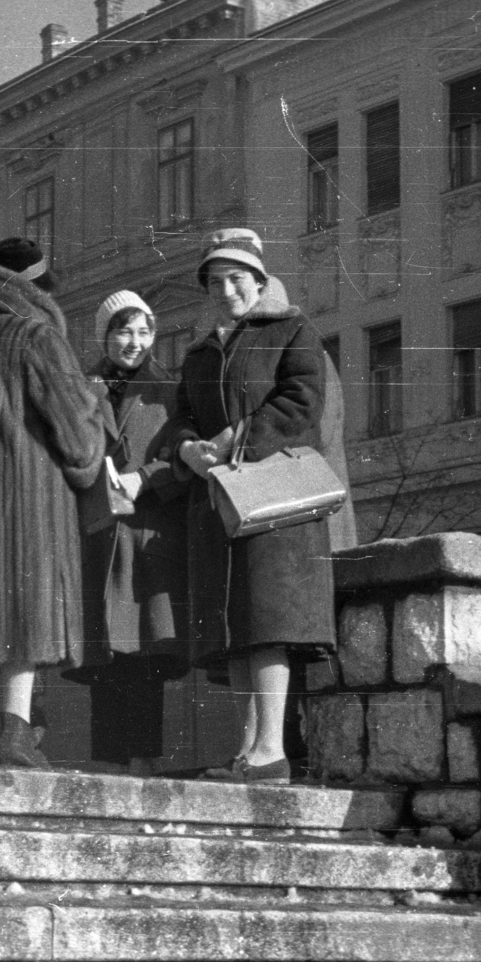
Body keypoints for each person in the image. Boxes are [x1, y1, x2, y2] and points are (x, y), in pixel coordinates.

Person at [171, 228, 356, 785]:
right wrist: (187, 447)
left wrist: (238, 438)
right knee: (236, 627)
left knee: (269, 623)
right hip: (221, 502)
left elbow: (303, 399)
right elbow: (182, 415)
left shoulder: (293, 329)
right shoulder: (202, 353)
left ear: (258, 278)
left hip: (276, 500)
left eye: (237, 279)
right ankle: (249, 747)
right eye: (216, 282)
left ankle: (270, 749)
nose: (227, 290)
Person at [0, 237, 107, 769]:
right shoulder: (36, 337)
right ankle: (15, 731)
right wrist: (95, 421)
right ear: (35, 288)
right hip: (26, 499)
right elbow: (77, 436)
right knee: (23, 610)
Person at [65, 290, 189, 777]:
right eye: (123, 331)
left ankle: (142, 758)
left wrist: (149, 476)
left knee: (144, 649)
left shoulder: (168, 389)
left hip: (147, 532)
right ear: (106, 337)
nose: (134, 343)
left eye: (143, 332)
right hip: (99, 532)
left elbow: (183, 453)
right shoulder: (81, 390)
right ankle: (110, 761)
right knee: (105, 652)